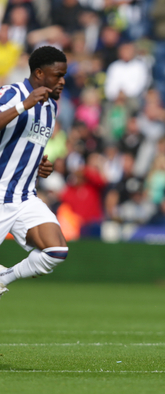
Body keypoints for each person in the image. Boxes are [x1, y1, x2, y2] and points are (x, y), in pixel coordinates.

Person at [0, 46, 69, 297]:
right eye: (57, 75)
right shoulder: (10, 93)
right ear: (39, 73)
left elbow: (20, 145)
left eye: (64, 76)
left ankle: (3, 277)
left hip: (25, 197)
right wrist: (23, 105)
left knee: (56, 250)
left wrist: (39, 165)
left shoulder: (51, 107)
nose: (62, 82)